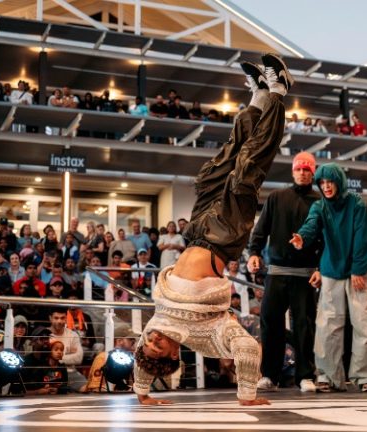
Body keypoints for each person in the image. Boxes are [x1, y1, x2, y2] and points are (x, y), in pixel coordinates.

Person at [132, 54, 293, 407]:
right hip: (224, 237)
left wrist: (142, 392)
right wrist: (247, 395)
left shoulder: (157, 326)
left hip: (197, 231)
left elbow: (142, 361)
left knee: (217, 167)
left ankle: (259, 97)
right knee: (247, 167)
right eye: (158, 345)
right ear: (173, 354)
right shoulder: (206, 338)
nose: (152, 337)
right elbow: (247, 348)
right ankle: (279, 91)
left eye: (148, 341)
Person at [290, 162, 367, 393]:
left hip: (358, 272)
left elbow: (366, 236)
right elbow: (311, 225)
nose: (326, 186)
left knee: (365, 324)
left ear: (339, 181)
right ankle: (327, 376)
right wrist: (302, 237)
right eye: (322, 182)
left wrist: (358, 269)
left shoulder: (356, 203)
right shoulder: (320, 206)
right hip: (331, 271)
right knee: (327, 327)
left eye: (330, 181)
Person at [248, 151, 321, 393]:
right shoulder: (276, 197)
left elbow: (326, 239)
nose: (302, 173)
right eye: (299, 169)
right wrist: (254, 252)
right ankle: (270, 375)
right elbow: (261, 229)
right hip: (277, 271)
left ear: (313, 173)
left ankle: (305, 375)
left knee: (304, 326)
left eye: (307, 169)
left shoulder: (320, 203)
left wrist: (321, 268)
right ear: (293, 171)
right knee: (270, 323)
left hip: (305, 273)